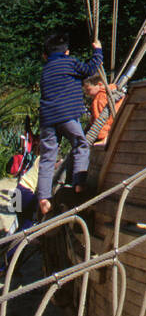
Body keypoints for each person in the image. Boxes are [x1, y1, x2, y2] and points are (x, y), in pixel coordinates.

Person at [37, 32, 103, 215]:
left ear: (46, 55)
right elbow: (90, 69)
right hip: (68, 116)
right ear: (66, 52)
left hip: (48, 120)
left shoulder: (46, 70)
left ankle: (43, 197)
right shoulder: (70, 62)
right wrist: (97, 51)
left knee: (48, 157)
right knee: (81, 145)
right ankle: (79, 183)